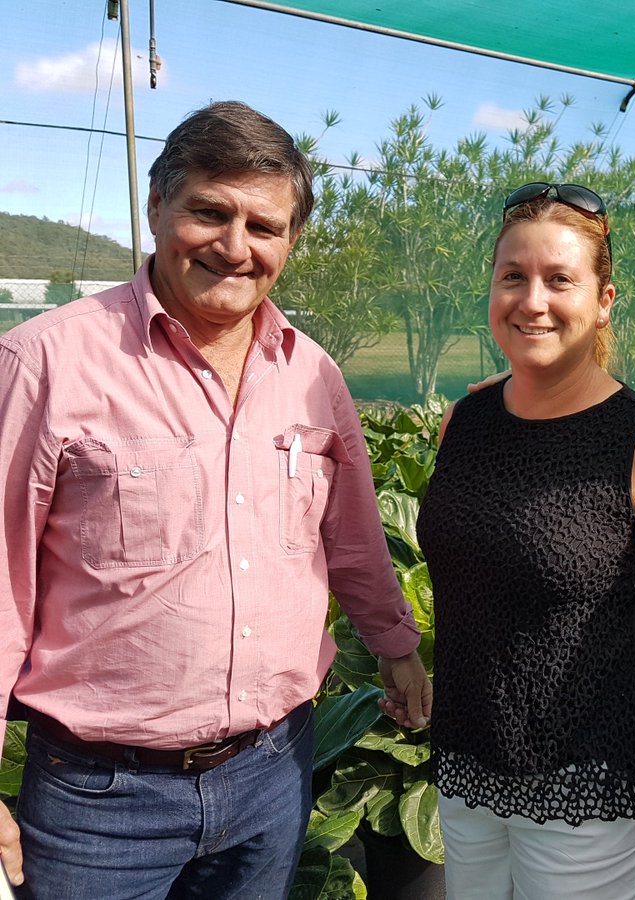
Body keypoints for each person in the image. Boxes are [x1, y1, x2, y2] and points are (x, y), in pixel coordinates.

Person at [0, 100, 431, 898]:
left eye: (264, 226)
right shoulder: (44, 363)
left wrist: (396, 645)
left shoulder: (313, 375)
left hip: (274, 772)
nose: (235, 247)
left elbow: (352, 536)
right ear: (157, 205)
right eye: (209, 212)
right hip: (100, 798)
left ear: (290, 240)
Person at [409, 182, 635, 900]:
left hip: (596, 780)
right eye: (513, 277)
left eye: (559, 280)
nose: (532, 300)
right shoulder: (465, 422)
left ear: (604, 301)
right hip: (469, 761)